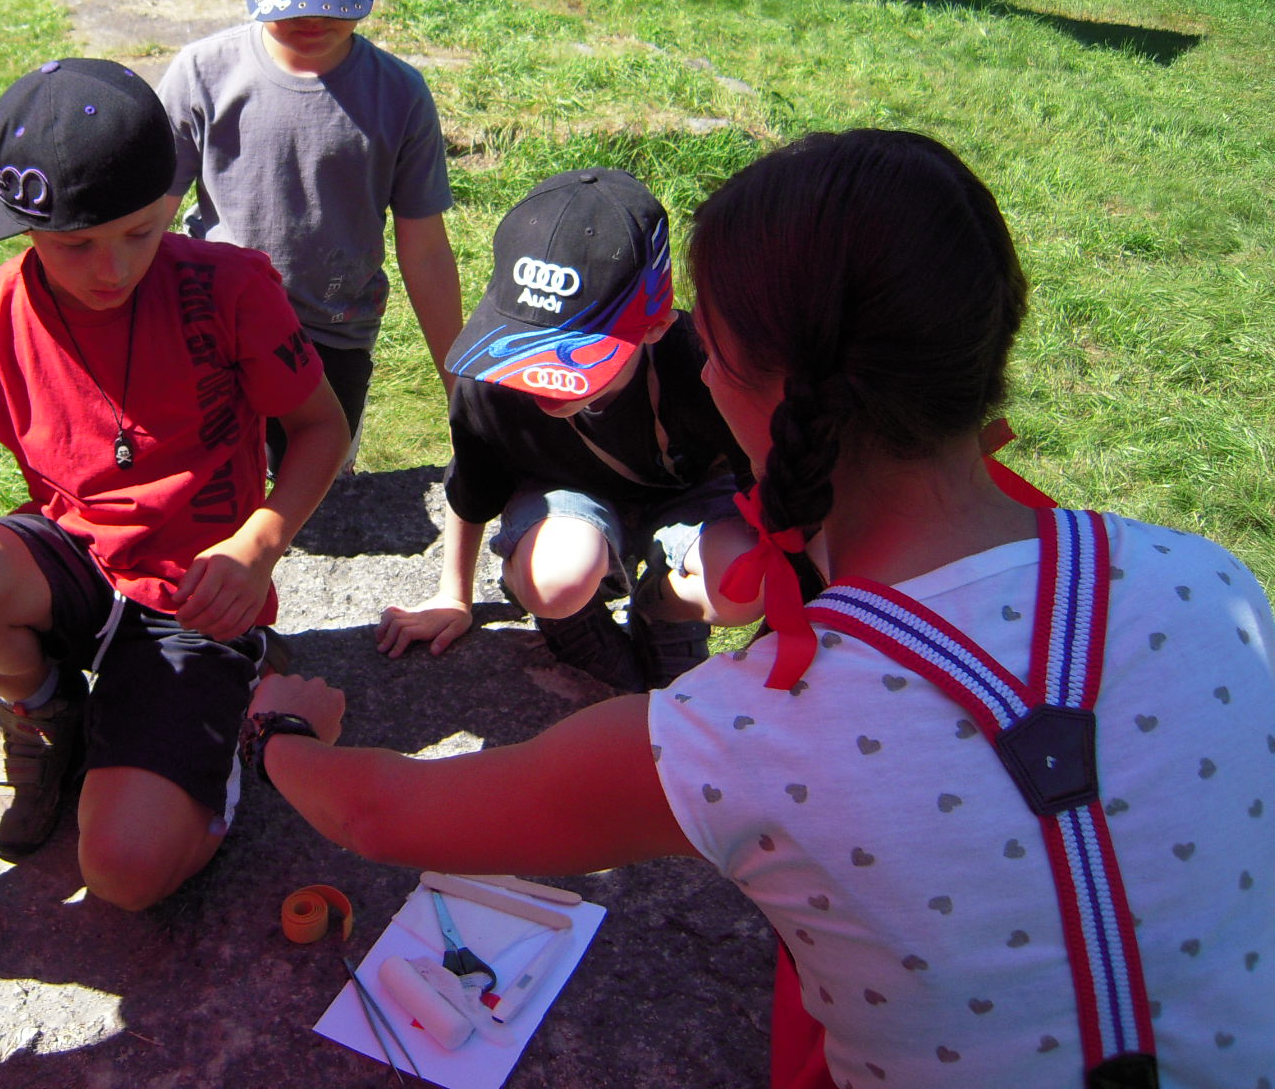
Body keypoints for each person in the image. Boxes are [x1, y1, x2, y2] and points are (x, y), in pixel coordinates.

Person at [248, 129, 1275, 1088]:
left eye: (715, 346)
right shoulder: (1213, 585)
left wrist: (279, 733)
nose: (698, 363)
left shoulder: (752, 733)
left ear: (766, 392)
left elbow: (380, 812)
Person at [0, 58, 348, 910]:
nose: (112, 269)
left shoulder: (229, 289)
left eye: (140, 233)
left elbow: (321, 427)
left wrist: (259, 543)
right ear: (22, 226)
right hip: (76, 560)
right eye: (77, 245)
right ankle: (46, 707)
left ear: (172, 203)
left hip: (197, 595)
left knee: (124, 873)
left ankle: (230, 705)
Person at [379, 169, 752, 689]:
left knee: (741, 578)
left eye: (574, 355)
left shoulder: (702, 364)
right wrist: (453, 596)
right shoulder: (492, 378)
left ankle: (663, 615)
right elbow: (472, 487)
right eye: (526, 345)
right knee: (558, 577)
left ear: (656, 326)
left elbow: (772, 488)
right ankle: (573, 624)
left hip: (688, 504)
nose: (542, 379)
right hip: (563, 507)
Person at [159, 0, 462, 471]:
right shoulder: (202, 74)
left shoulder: (399, 95)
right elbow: (147, 220)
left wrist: (460, 388)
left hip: (333, 336)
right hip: (215, 325)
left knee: (318, 488)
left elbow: (426, 251)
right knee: (216, 484)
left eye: (333, 0)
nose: (313, 18)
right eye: (291, 2)